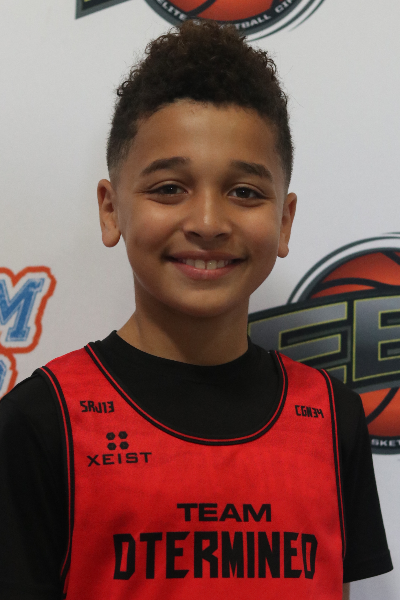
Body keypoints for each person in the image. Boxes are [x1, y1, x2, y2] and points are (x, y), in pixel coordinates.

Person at [0, 19, 392, 600]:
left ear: (284, 221)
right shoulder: (40, 422)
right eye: (169, 188)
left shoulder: (333, 418)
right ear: (111, 210)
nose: (208, 222)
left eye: (244, 192)